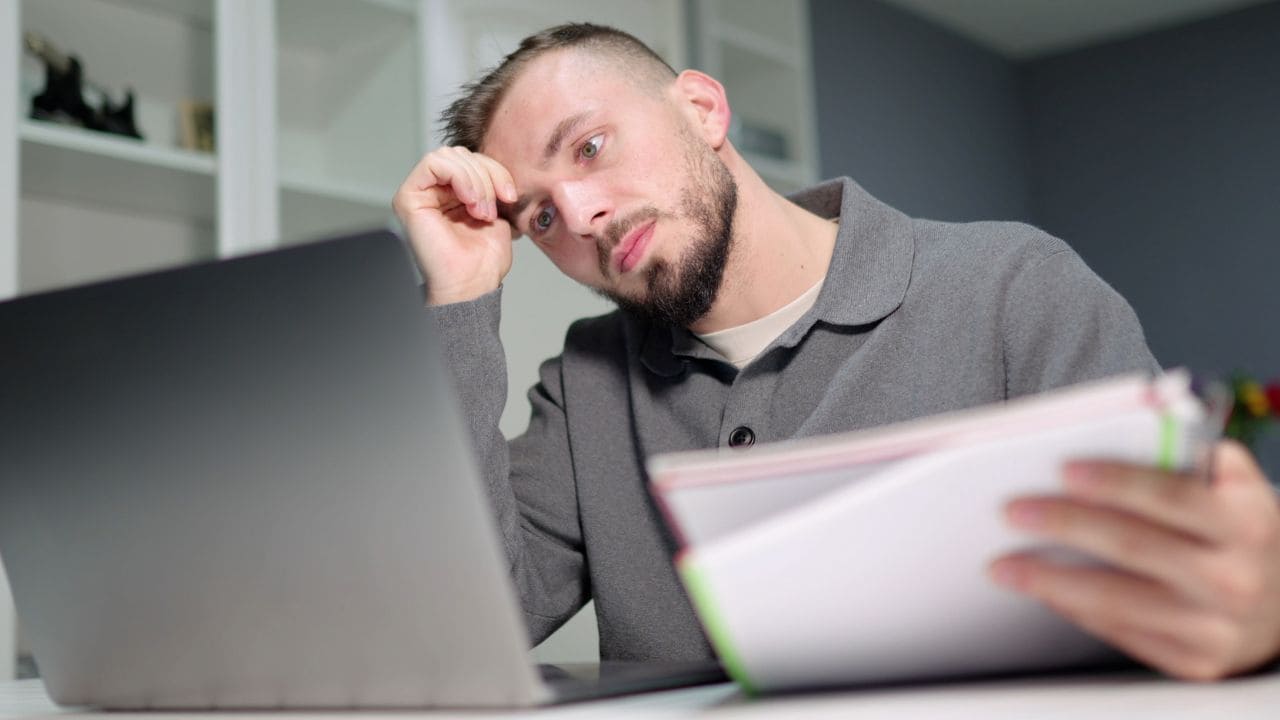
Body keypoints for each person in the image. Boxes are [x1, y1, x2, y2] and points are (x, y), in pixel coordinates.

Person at [392, 23, 1280, 681]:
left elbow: (1193, 589)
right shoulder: (584, 385)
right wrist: (459, 298)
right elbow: (449, 639)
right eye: (540, 216)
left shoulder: (1015, 290)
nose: (581, 215)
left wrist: (1257, 614)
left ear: (702, 108)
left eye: (590, 147)